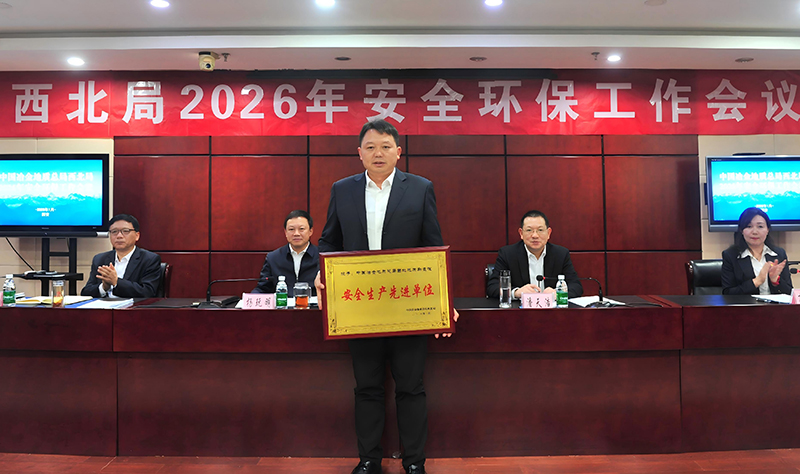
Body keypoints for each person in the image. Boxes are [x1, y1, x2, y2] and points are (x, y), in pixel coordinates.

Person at [315, 119, 455, 474]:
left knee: (411, 387)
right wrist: (321, 272)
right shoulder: (342, 190)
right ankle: (368, 460)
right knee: (367, 387)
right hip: (360, 308)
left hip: (408, 306)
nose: (378, 153)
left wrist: (443, 301)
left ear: (398, 152)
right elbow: (329, 240)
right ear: (359, 153)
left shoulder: (420, 188)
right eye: (371, 147)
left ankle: (414, 463)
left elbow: (433, 246)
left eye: (385, 146)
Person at [487, 210, 583, 299]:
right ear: (521, 233)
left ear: (548, 233)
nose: (535, 235)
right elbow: (492, 287)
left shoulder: (560, 254)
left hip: (552, 309)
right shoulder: (508, 254)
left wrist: (558, 293)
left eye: (540, 230)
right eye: (529, 230)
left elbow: (576, 286)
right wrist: (516, 292)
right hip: (520, 309)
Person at [81, 214, 162, 298]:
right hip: (104, 305)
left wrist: (116, 282)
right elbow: (86, 292)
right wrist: (104, 287)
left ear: (137, 236)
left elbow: (148, 292)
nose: (119, 236)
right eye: (114, 231)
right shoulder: (100, 259)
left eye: (125, 231)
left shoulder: (149, 259)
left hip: (133, 306)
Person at [721, 207, 792, 295]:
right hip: (746, 304)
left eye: (760, 226)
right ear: (741, 230)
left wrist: (775, 280)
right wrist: (757, 281)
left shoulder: (779, 254)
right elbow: (728, 293)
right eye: (749, 226)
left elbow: (789, 292)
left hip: (774, 304)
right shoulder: (731, 255)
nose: (755, 232)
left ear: (767, 230)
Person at [252, 210, 318, 296]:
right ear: (285, 232)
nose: (296, 234)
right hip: (283, 303)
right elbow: (262, 288)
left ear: (310, 231)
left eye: (301, 229)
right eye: (291, 229)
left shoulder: (321, 257)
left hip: (313, 304)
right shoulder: (273, 258)